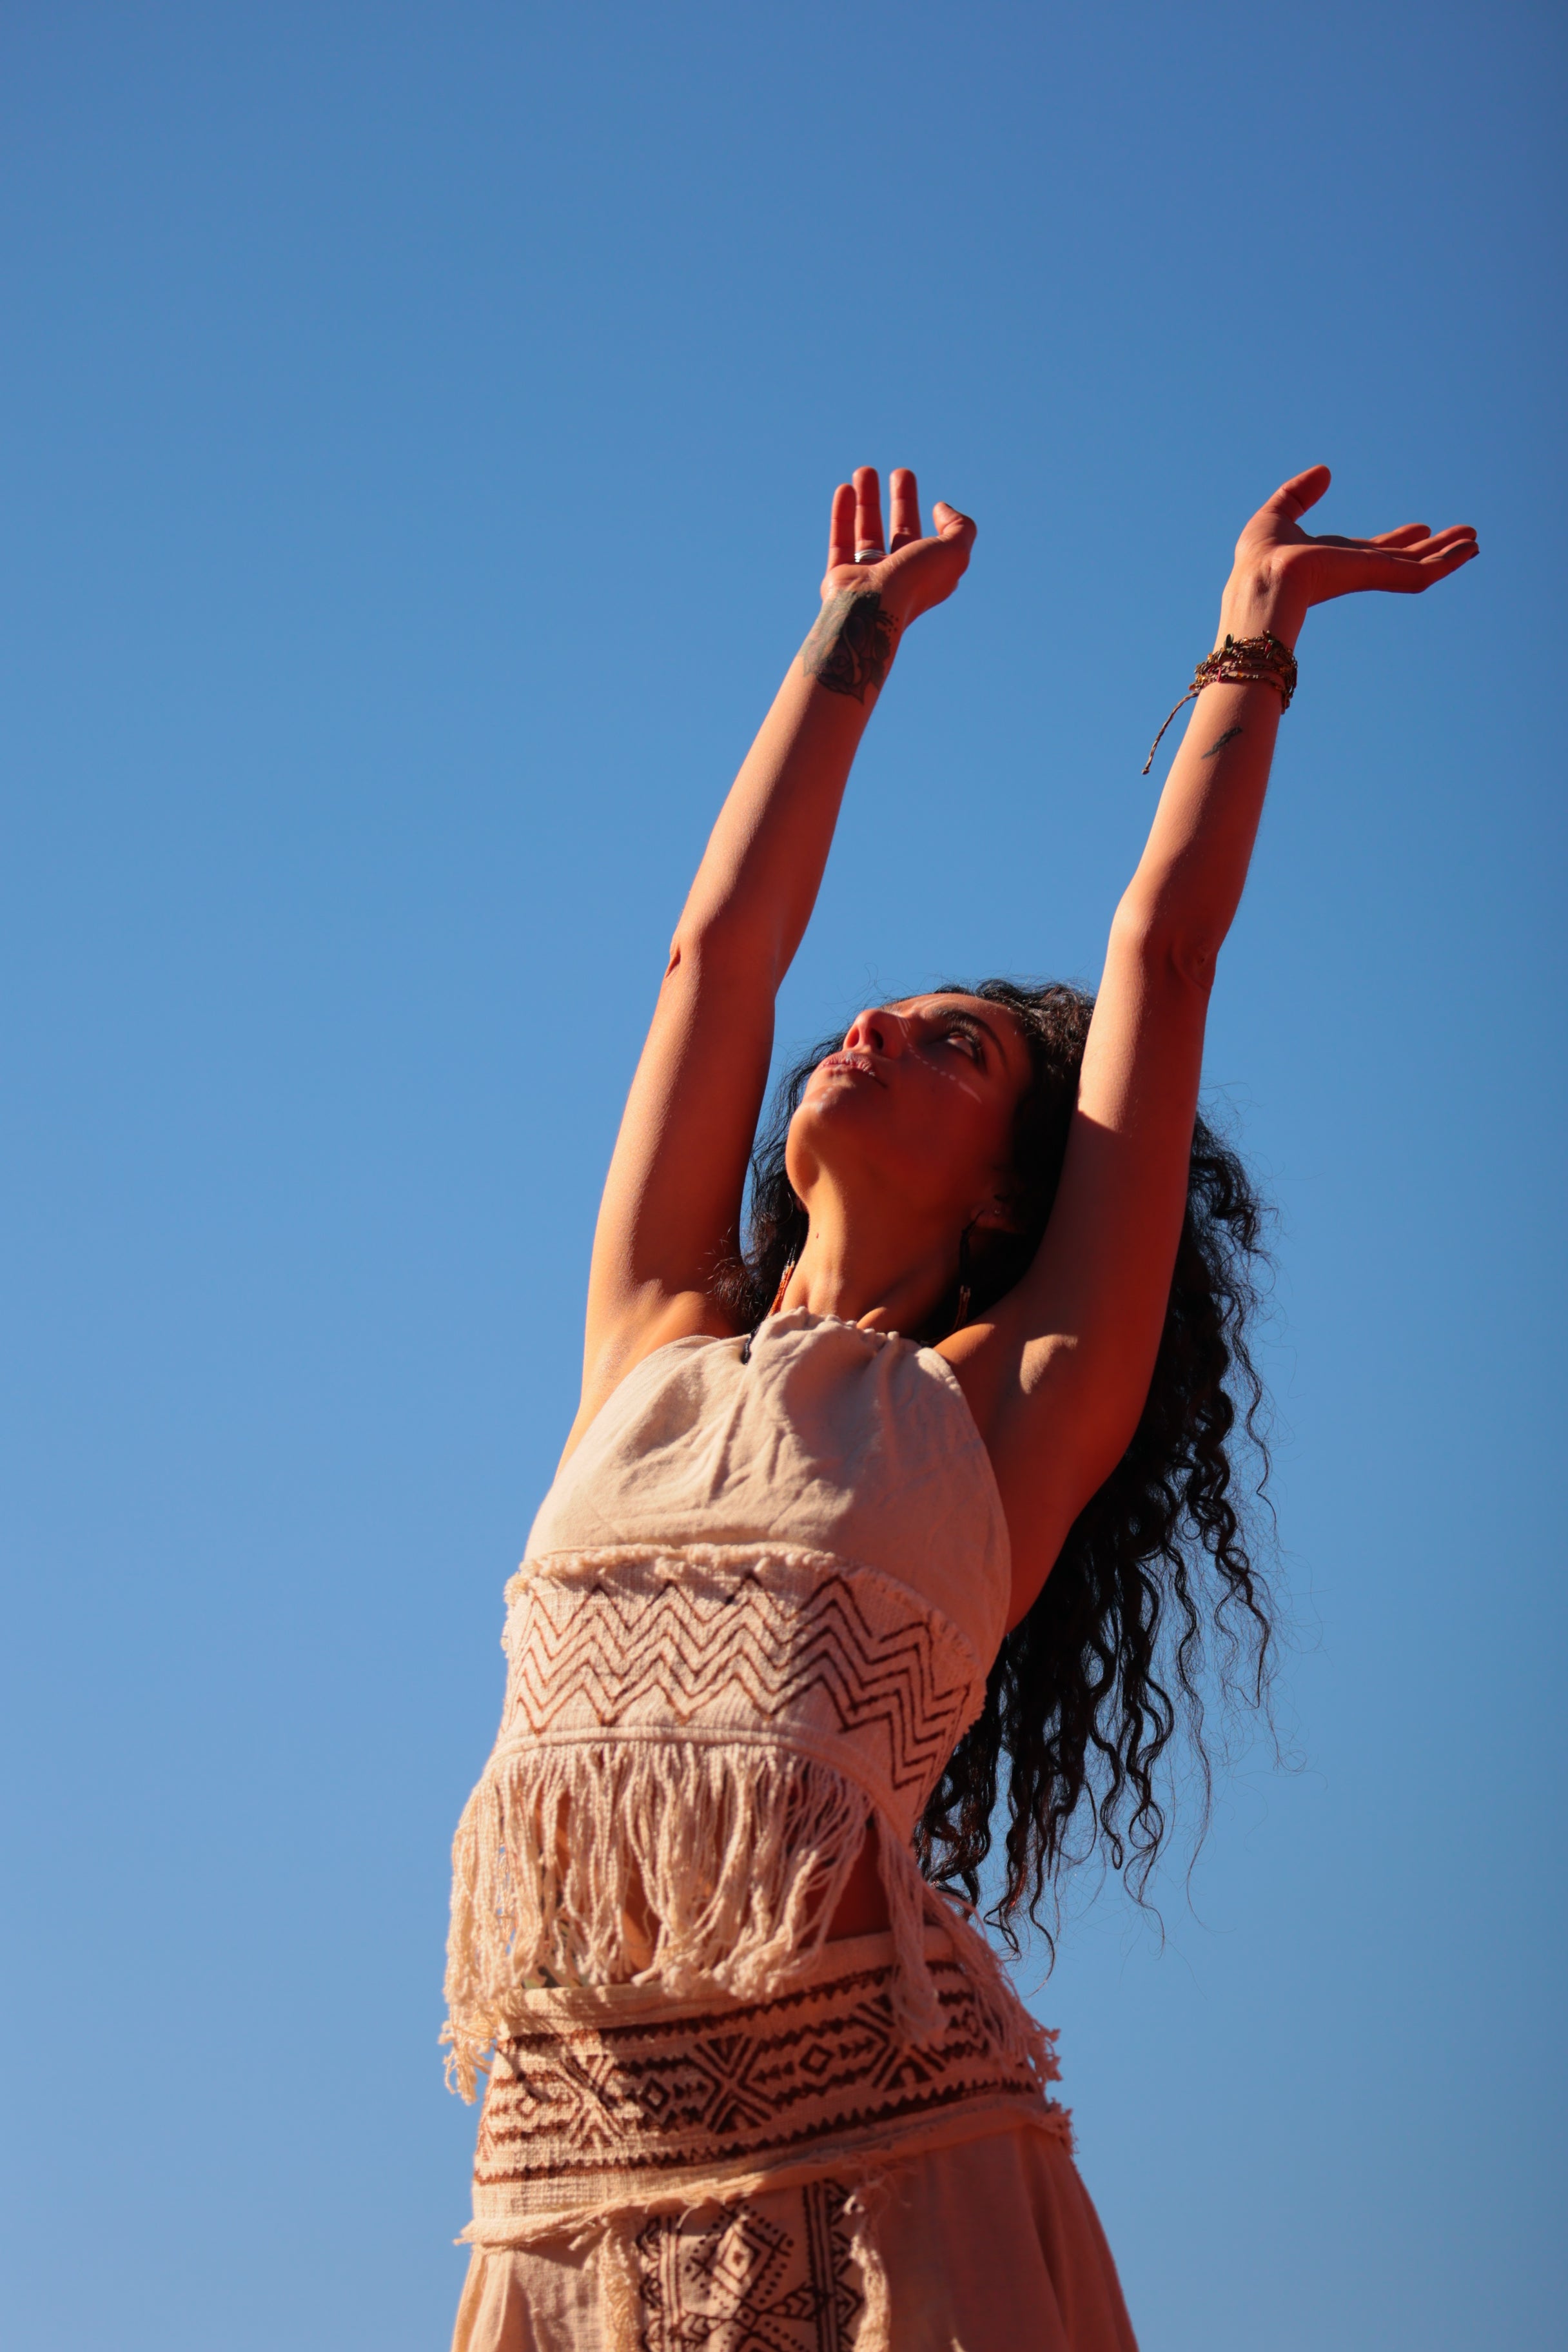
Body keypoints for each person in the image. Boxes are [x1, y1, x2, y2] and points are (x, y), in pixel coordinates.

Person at [442, 464, 1477, 2351]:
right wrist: (845, 642)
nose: (876, 1029)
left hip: (895, 2176)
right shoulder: (653, 1343)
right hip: (569, 2197)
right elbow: (716, 962)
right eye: (885, 1012)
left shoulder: (1011, 1407)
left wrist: (1253, 642)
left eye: (957, 1043)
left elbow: (1163, 954)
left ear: (1012, 1192)